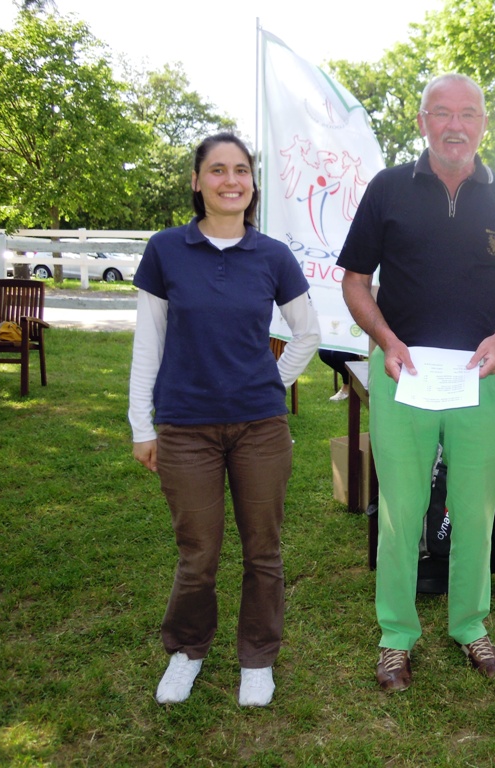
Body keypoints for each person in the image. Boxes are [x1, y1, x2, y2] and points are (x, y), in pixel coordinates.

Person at [338, 73, 495, 692]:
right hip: (403, 374)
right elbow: (354, 281)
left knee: (474, 509)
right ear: (422, 120)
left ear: (483, 123)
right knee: (401, 511)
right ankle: (396, 636)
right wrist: (385, 340)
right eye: (442, 113)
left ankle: (469, 624)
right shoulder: (389, 188)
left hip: (482, 376)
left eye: (468, 113)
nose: (456, 125)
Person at [129, 133, 321, 707]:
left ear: (253, 184)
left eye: (241, 170)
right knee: (198, 555)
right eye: (217, 169)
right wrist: (142, 425)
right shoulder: (165, 250)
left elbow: (307, 333)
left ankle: (257, 657)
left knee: (264, 550)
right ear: (197, 181)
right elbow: (149, 343)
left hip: (260, 429)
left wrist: (271, 382)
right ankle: (187, 651)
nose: (230, 180)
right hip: (185, 428)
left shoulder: (273, 256)